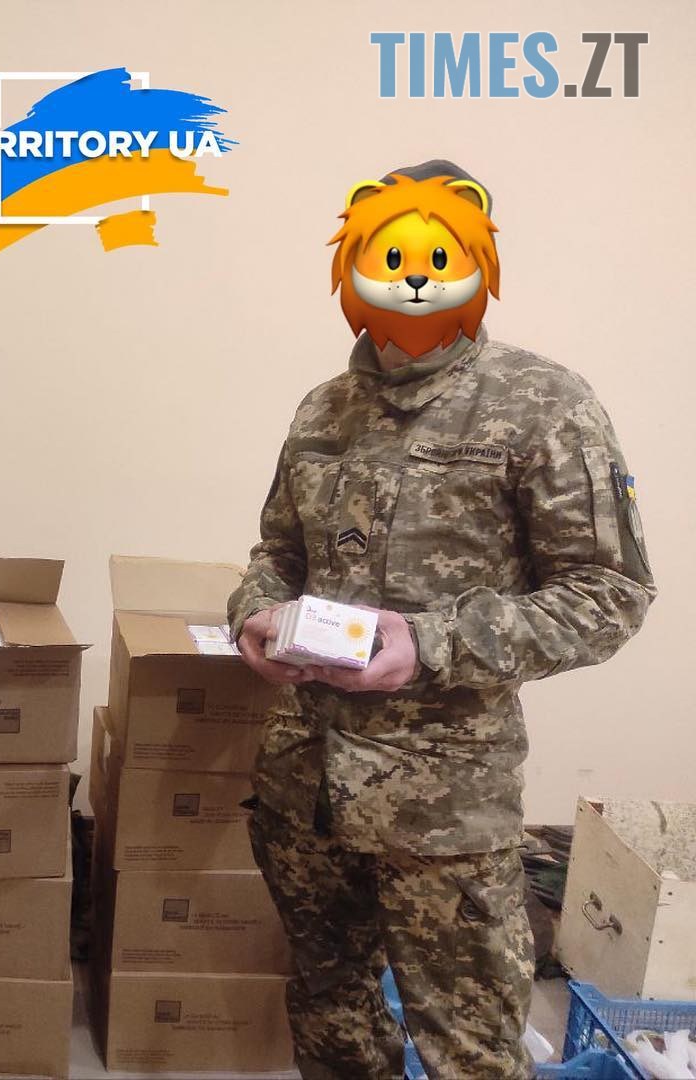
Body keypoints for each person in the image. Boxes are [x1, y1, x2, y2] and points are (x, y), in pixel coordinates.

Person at [228, 159, 654, 1079]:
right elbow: (277, 553)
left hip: (444, 806)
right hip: (306, 783)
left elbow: (609, 593)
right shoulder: (324, 407)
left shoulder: (543, 403)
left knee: (469, 1049)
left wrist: (428, 644)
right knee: (331, 1013)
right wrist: (256, 612)